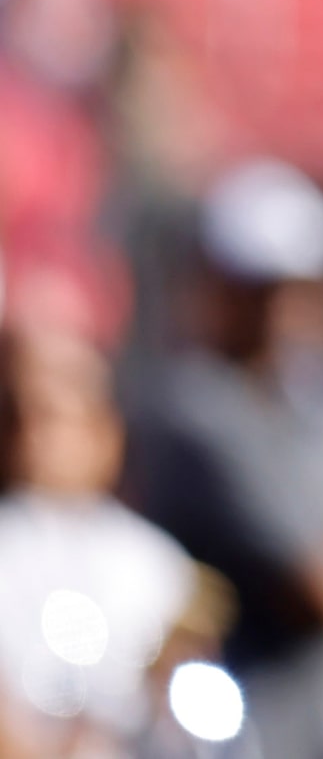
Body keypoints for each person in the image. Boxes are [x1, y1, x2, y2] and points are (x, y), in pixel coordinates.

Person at [124, 159, 323, 759]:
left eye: (301, 289)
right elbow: (320, 588)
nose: (282, 313)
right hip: (247, 727)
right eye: (260, 291)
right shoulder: (195, 413)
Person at [0, 321, 216, 756]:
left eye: (64, 420)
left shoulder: (155, 562)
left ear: (108, 433)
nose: (42, 440)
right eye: (27, 418)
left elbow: (189, 698)